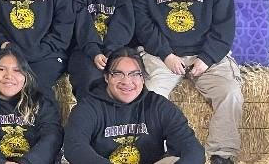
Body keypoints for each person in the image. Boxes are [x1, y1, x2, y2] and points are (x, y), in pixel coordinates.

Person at [132, 0, 242, 164]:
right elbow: (143, 26)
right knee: (152, 95)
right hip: (163, 56)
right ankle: (160, 153)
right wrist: (166, 55)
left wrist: (207, 58)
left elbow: (224, 27)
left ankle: (222, 154)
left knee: (230, 93)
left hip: (206, 57)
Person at [64, 47, 205, 164]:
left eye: (134, 74)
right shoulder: (89, 107)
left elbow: (192, 149)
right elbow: (75, 147)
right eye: (118, 74)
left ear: (143, 78)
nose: (127, 81)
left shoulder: (158, 105)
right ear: (106, 77)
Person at [66, 0, 134, 99]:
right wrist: (94, 52)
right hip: (84, 50)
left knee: (125, 80)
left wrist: (111, 51)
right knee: (91, 79)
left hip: (116, 49)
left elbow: (124, 25)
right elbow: (81, 25)